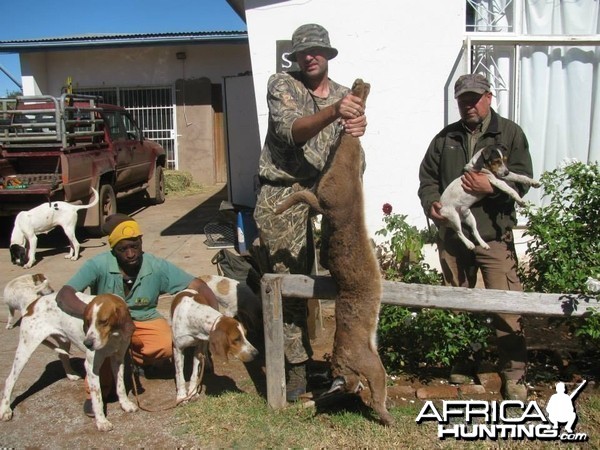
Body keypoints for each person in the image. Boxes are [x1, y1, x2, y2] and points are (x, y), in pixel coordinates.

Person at [252, 23, 367, 401]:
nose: (311, 56)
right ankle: (296, 370)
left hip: (324, 193)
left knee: (342, 273)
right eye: (304, 51)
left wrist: (357, 125)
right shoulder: (282, 85)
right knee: (290, 282)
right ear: (296, 57)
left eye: (318, 50)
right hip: (282, 193)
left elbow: (347, 147)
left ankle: (339, 358)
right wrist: (337, 111)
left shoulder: (343, 94)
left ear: (328, 55)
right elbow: (291, 132)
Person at [418, 73, 533, 401]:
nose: (469, 104)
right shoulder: (445, 138)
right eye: (463, 99)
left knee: (506, 303)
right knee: (460, 300)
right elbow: (427, 178)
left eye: (475, 97)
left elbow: (523, 181)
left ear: (489, 97)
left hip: (494, 234)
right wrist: (432, 204)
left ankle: (514, 374)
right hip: (456, 237)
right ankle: (465, 360)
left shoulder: (509, 133)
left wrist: (491, 191)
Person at [56, 213, 219, 416]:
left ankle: (137, 360)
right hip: (108, 324)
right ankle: (96, 393)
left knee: (166, 343)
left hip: (142, 318)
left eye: (135, 246)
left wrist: (216, 323)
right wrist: (92, 316)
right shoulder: (98, 265)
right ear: (113, 251)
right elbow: (64, 294)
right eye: (123, 249)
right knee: (100, 358)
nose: (131, 254)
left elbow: (198, 285)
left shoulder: (156, 266)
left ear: (141, 242)